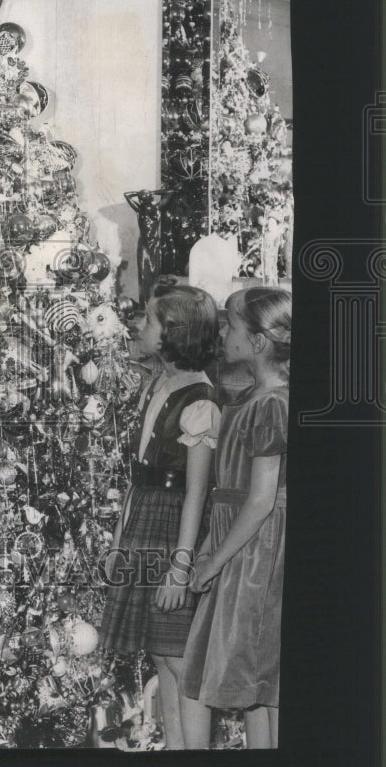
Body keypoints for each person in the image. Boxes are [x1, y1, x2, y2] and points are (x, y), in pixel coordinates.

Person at [100, 284, 220, 749]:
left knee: (180, 659)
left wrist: (181, 566)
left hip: (175, 532)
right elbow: (139, 478)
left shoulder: (201, 401)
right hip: (144, 524)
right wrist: (117, 543)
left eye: (148, 321)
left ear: (172, 334)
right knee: (160, 655)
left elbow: (195, 494)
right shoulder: (158, 383)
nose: (138, 326)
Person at [181, 287, 290, 749]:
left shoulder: (272, 405)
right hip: (238, 544)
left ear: (259, 342)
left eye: (231, 325)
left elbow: (261, 499)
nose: (224, 332)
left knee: (264, 677)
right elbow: (228, 491)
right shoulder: (249, 398)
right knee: (254, 687)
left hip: (257, 551)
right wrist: (210, 544)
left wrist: (214, 561)